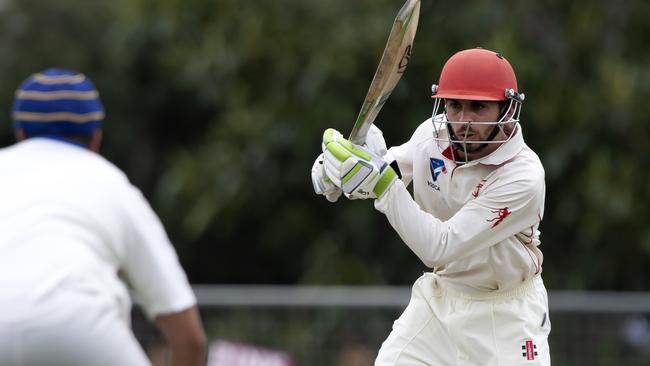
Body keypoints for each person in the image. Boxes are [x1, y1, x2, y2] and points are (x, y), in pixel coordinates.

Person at [312, 48, 551, 365]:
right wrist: (339, 172)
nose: (464, 121)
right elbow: (386, 173)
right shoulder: (431, 137)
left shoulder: (522, 176)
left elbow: (440, 247)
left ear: (506, 109)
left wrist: (380, 181)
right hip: (440, 303)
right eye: (455, 105)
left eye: (478, 107)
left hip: (506, 315)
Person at [0, 68, 206, 366]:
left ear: (20, 133)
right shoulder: (112, 183)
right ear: (96, 137)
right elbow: (189, 338)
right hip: (79, 329)